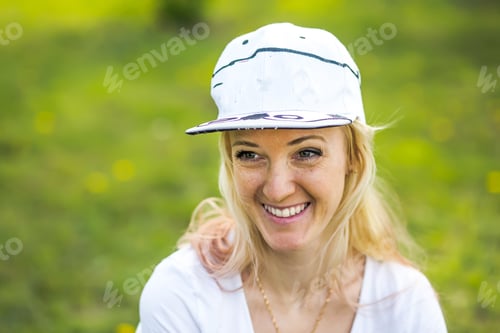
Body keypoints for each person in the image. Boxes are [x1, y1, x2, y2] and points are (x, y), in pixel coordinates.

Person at [136, 22, 447, 333]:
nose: (277, 189)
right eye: (249, 154)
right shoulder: (181, 297)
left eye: (307, 153)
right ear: (230, 161)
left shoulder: (405, 306)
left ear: (354, 157)